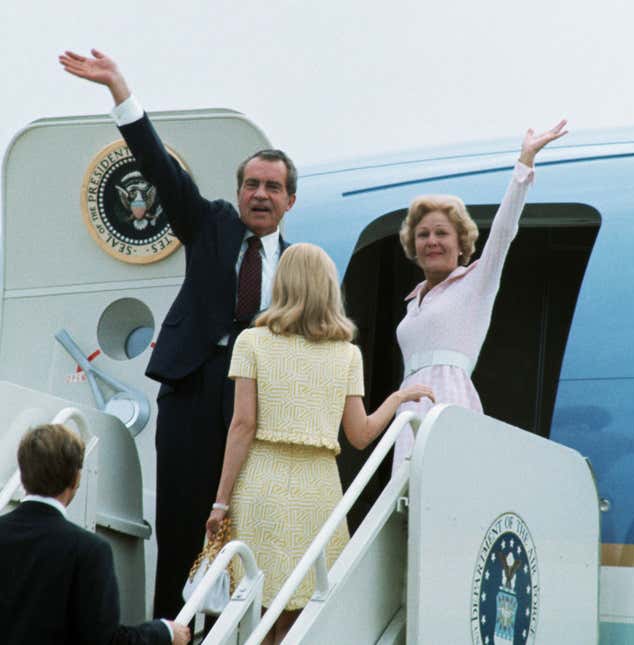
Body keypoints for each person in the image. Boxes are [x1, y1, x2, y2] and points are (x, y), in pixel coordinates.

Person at [58, 49, 297, 618]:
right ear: (238, 193)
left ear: (291, 199)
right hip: (193, 388)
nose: (260, 195)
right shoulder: (209, 222)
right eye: (252, 185)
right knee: (183, 521)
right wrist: (120, 90)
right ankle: (173, 629)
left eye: (273, 187)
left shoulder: (296, 265)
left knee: (242, 520)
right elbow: (159, 168)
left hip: (254, 401)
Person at [205, 243, 434, 644]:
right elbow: (361, 435)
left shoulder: (251, 342)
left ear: (283, 284)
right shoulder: (347, 354)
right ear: (329, 288)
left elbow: (242, 426)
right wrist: (397, 399)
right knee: (301, 612)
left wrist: (220, 502)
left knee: (253, 606)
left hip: (262, 482)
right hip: (319, 490)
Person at [391, 120, 568, 471]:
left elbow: (504, 231)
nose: (432, 241)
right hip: (408, 407)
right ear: (414, 245)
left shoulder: (475, 283)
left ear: (461, 245)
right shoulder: (413, 301)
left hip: (449, 403)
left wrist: (525, 163)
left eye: (442, 233)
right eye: (423, 234)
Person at [0, 423, 190, 645]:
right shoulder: (89, 550)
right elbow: (104, 640)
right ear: (76, 479)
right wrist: (163, 632)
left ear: (23, 474)